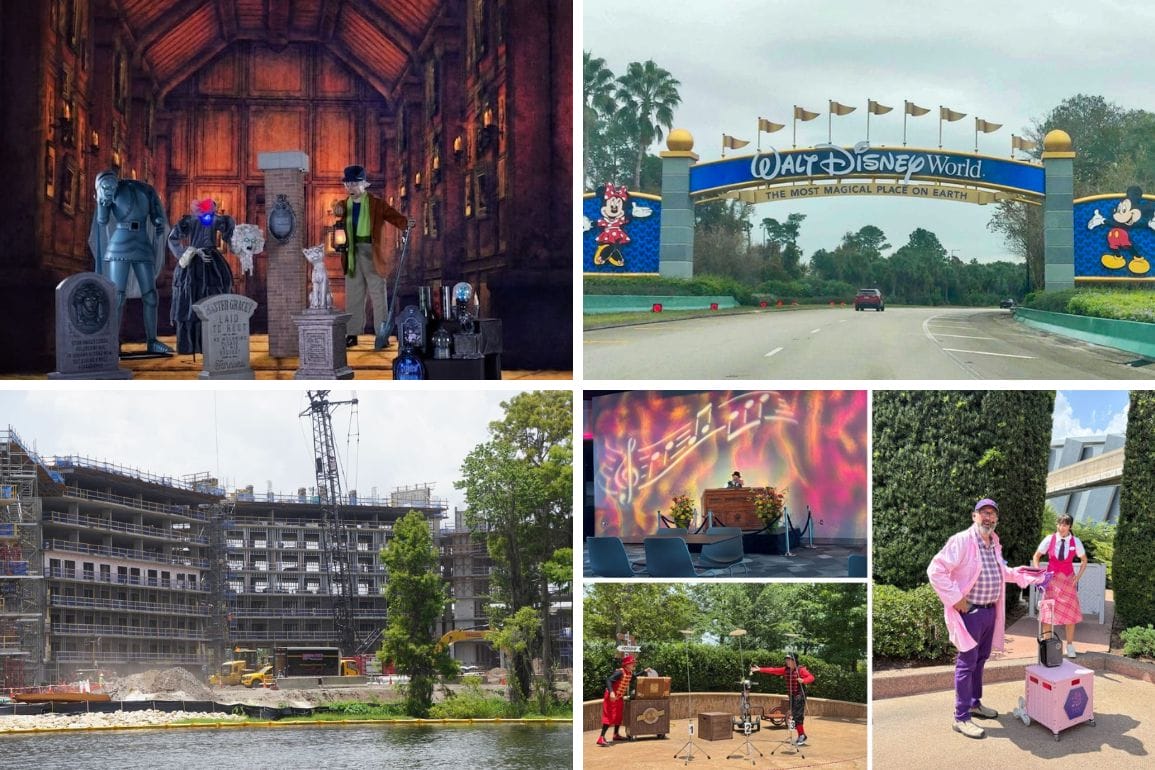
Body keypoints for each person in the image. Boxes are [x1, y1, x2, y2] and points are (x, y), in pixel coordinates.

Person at [928, 498, 1046, 739]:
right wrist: (955, 597)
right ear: (975, 516)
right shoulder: (962, 540)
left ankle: (974, 703)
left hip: (990, 611)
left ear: (996, 520)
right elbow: (935, 570)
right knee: (966, 662)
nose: (988, 518)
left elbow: (1004, 572)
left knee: (980, 659)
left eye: (992, 514)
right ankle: (961, 717)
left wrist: (1034, 576)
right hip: (970, 612)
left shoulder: (994, 544)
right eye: (984, 513)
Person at [87, 169, 172, 354]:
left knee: (150, 295)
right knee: (117, 295)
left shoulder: (146, 190)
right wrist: (103, 198)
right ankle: (112, 342)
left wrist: (158, 220)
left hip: (142, 242)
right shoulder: (114, 186)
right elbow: (102, 220)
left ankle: (152, 340)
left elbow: (156, 214)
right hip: (119, 243)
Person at [338, 165, 413, 348]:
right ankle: (352, 333)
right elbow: (337, 210)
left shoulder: (376, 204)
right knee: (353, 295)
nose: (350, 188)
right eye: (348, 184)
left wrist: (405, 223)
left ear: (363, 184)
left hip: (371, 252)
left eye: (354, 184)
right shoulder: (344, 205)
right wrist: (338, 211)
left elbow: (391, 215)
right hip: (351, 254)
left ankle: (382, 334)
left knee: (378, 295)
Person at [167, 198, 235, 354]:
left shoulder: (216, 219)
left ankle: (213, 345)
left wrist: (240, 243)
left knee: (215, 294)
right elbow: (173, 238)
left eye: (211, 212)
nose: (209, 215)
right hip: (192, 263)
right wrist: (192, 251)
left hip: (212, 262)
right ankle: (190, 346)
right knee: (190, 297)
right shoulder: (189, 221)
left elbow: (230, 234)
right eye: (207, 212)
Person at [1032, 513, 1087, 658]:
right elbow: (1036, 556)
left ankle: (1069, 646)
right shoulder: (1049, 539)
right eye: (1060, 524)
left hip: (1068, 581)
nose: (1061, 528)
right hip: (1051, 581)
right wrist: (1040, 574)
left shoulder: (1076, 541)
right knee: (1047, 614)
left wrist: (1078, 577)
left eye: (1065, 525)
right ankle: (1047, 646)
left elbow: (1084, 560)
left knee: (1070, 615)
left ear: (1070, 526)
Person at [751, 653, 814, 746]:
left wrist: (804, 680)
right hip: (792, 696)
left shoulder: (801, 670)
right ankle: (801, 735)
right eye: (786, 660)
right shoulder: (786, 670)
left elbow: (811, 677)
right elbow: (773, 670)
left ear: (794, 661)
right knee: (794, 716)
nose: (787, 661)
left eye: (789, 660)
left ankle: (802, 736)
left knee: (797, 716)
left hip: (800, 696)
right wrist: (760, 669)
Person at [596, 653, 636, 747]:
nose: (633, 665)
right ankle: (601, 738)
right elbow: (608, 680)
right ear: (626, 664)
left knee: (618, 716)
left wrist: (644, 671)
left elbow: (633, 678)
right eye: (632, 663)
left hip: (619, 697)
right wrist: (611, 692)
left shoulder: (629, 673)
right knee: (609, 716)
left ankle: (616, 734)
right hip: (611, 697)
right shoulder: (620, 672)